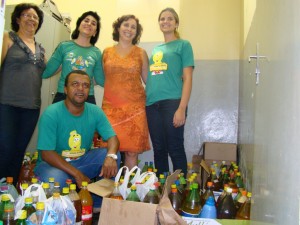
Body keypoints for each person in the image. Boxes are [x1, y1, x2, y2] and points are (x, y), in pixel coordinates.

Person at [34, 70, 120, 209]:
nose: (81, 89)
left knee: (113, 155)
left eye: (85, 85)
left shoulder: (95, 111)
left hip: (81, 161)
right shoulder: (51, 113)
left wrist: (110, 156)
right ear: (65, 89)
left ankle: (97, 204)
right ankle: (66, 206)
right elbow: (47, 154)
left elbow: (112, 138)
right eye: (75, 84)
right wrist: (77, 174)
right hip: (53, 166)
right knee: (58, 180)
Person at [145, 8, 194, 176]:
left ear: (176, 23)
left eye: (170, 19)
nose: (165, 21)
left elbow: (187, 78)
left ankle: (180, 191)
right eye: (162, 19)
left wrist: (181, 108)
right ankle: (161, 192)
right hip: (151, 104)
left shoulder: (183, 45)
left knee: (175, 147)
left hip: (172, 102)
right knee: (159, 149)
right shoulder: (156, 50)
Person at [0, 3, 45, 184]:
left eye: (35, 16)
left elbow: (49, 70)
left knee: (19, 151)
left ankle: (9, 191)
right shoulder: (7, 38)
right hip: (7, 104)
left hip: (31, 107)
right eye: (26, 15)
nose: (31, 19)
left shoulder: (41, 49)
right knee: (5, 148)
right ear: (17, 19)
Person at [98, 15, 150, 169]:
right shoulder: (106, 52)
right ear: (118, 28)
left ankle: (128, 190)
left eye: (133, 27)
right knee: (108, 150)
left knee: (132, 152)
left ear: (136, 32)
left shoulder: (141, 53)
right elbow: (101, 78)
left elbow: (149, 81)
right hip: (110, 110)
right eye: (126, 25)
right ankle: (108, 190)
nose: (129, 29)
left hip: (135, 110)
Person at [42, 11, 103, 104]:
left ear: (95, 32)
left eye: (93, 23)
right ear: (79, 26)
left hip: (87, 97)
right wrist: (39, 58)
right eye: (86, 21)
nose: (89, 24)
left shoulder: (97, 53)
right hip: (63, 95)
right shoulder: (63, 46)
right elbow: (46, 73)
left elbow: (101, 80)